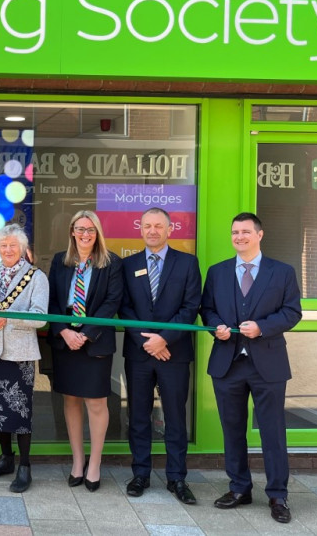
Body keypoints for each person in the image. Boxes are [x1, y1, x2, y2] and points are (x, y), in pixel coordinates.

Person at [201, 212, 302, 524]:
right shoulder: (217, 272)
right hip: (227, 364)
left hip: (267, 364)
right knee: (232, 431)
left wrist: (262, 327)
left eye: (245, 231)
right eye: (234, 232)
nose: (239, 237)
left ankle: (277, 495)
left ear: (260, 234)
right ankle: (239, 488)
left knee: (272, 432)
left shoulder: (282, 272)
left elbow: (292, 312)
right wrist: (215, 326)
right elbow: (208, 309)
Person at [119, 208, 201, 502]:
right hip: (140, 354)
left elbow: (191, 308)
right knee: (138, 416)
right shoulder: (128, 265)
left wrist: (164, 339)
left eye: (158, 226)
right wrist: (147, 341)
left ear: (170, 230)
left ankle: (177, 478)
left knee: (175, 418)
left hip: (173, 353)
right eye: (147, 226)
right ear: (140, 230)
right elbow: (124, 308)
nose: (152, 231)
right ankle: (140, 473)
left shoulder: (188, 263)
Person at [47, 210, 123, 492]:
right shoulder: (60, 260)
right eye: (80, 229)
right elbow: (52, 300)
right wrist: (64, 331)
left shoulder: (111, 263)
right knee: (71, 401)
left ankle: (95, 463)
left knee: (96, 402)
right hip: (66, 339)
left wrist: (86, 334)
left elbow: (112, 302)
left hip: (95, 341)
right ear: (72, 231)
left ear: (98, 233)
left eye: (91, 229)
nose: (85, 234)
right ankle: (78, 461)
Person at [0, 224, 49, 493]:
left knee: (20, 412)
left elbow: (41, 317)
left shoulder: (36, 277)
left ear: (22, 248)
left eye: (13, 245)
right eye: (3, 245)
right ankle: (5, 459)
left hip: (21, 353)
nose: (8, 249)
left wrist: (9, 318)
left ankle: (25, 466)